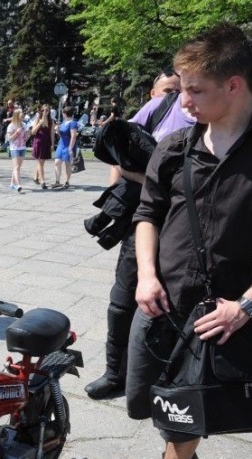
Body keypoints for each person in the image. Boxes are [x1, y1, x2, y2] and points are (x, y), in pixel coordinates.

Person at [127, 23, 252, 459]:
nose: (184, 100)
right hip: (159, 298)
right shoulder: (174, 146)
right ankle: (181, 447)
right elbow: (146, 215)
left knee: (185, 403)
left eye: (194, 89)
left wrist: (246, 305)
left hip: (219, 311)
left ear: (235, 86)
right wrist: (146, 276)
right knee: (145, 398)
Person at [84, 69, 194, 400]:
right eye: (169, 88)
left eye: (183, 86)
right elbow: (119, 148)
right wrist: (126, 189)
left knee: (173, 306)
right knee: (122, 301)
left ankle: (165, 380)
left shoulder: (211, 114)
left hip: (186, 227)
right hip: (142, 218)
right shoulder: (158, 108)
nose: (178, 93)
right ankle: (115, 374)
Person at [52, 107, 80, 189]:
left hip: (69, 145)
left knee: (67, 164)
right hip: (61, 144)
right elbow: (61, 135)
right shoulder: (64, 122)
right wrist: (57, 130)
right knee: (57, 162)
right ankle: (57, 181)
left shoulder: (73, 123)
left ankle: (67, 181)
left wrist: (70, 148)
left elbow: (73, 136)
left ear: (64, 114)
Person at [31, 104, 54, 189]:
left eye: (47, 110)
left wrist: (52, 144)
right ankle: (42, 181)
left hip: (46, 142)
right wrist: (39, 124)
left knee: (42, 162)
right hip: (39, 142)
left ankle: (36, 177)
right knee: (41, 162)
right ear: (40, 111)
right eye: (43, 110)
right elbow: (33, 132)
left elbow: (52, 134)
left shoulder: (51, 121)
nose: (44, 112)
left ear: (49, 111)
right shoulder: (38, 119)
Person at [6, 108, 27, 193]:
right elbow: (9, 138)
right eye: (21, 114)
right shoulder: (11, 126)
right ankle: (18, 185)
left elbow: (25, 135)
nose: (23, 115)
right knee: (17, 167)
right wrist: (17, 133)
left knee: (17, 167)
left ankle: (12, 184)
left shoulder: (23, 124)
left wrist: (26, 136)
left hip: (22, 147)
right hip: (14, 148)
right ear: (17, 115)